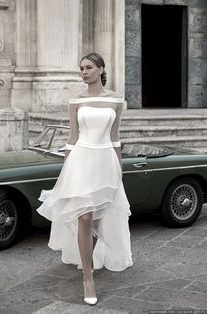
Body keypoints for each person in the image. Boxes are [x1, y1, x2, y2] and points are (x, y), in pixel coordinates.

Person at [36, 52, 133, 306]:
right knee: (85, 216)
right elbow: (72, 136)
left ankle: (93, 255)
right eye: (81, 68)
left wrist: (119, 168)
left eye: (88, 67)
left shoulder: (116, 100)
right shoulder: (76, 99)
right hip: (81, 160)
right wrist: (65, 169)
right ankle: (87, 278)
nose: (84, 72)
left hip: (105, 162)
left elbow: (115, 137)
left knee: (100, 218)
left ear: (101, 69)